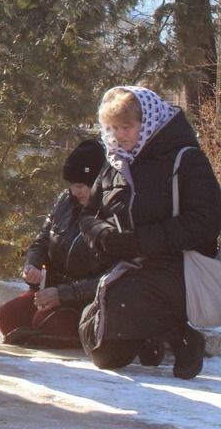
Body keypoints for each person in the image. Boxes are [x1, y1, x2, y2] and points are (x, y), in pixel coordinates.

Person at [78, 86, 221, 380]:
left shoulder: (185, 158)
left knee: (130, 296)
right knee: (106, 354)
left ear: (149, 121)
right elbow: (88, 215)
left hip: (179, 267)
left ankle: (181, 336)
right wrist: (104, 236)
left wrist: (141, 240)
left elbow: (207, 220)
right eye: (112, 128)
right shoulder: (114, 161)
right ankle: (148, 333)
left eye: (126, 127)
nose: (119, 135)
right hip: (129, 264)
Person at [0, 140, 111, 346]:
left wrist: (64, 295)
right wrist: (32, 265)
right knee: (9, 315)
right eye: (71, 185)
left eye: (81, 186)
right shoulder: (65, 201)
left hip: (84, 301)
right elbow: (41, 241)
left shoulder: (111, 212)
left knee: (47, 324)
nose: (75, 192)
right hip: (51, 291)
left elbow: (110, 277)